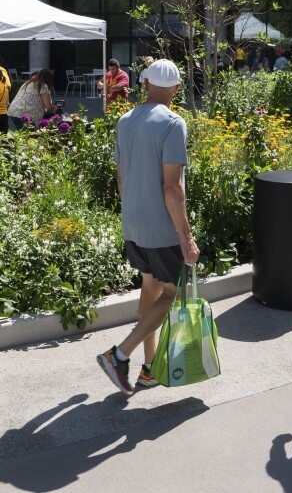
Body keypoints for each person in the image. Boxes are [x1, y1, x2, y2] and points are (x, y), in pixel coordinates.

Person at [97, 59, 199, 394]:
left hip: (132, 223)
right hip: (160, 226)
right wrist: (185, 238)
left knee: (150, 285)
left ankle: (150, 367)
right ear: (177, 88)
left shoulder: (125, 120)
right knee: (175, 292)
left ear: (143, 84)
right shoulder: (173, 123)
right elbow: (172, 187)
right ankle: (120, 354)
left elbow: (121, 180)